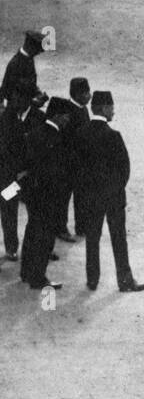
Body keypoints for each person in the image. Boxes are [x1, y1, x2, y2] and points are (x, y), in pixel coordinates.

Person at [79, 90, 144, 293]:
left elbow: (76, 167)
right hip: (113, 198)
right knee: (118, 239)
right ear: (104, 108)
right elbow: (124, 169)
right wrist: (115, 190)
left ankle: (92, 279)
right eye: (112, 107)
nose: (114, 111)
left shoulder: (81, 133)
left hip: (90, 197)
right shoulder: (113, 136)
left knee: (92, 238)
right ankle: (125, 280)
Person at [18, 98, 73, 289]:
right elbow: (53, 172)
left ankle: (26, 272)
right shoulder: (55, 138)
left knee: (32, 231)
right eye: (66, 116)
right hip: (48, 196)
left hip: (32, 194)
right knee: (45, 237)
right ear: (57, 116)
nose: (68, 120)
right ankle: (38, 277)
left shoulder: (35, 133)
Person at [0, 83, 40, 264]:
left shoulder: (12, 117)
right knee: (9, 210)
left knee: (10, 210)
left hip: (9, 175)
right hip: (8, 176)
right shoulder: (10, 121)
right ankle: (11, 247)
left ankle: (11, 247)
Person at [57, 77, 92, 241]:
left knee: (81, 195)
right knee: (63, 198)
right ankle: (61, 228)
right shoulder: (68, 111)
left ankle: (82, 226)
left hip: (81, 163)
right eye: (86, 93)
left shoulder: (83, 109)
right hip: (68, 164)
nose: (89, 96)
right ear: (77, 94)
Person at [1, 30, 45, 104]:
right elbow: (10, 94)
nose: (39, 53)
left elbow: (28, 84)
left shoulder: (28, 59)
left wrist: (38, 93)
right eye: (37, 50)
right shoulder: (15, 64)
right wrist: (33, 102)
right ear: (31, 48)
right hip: (14, 108)